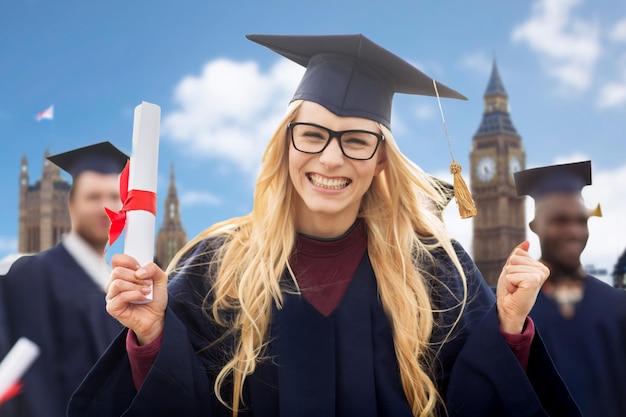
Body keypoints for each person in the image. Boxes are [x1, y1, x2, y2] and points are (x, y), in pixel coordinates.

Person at [68, 34, 580, 417]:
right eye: (312, 135)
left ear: (381, 159)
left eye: (356, 140)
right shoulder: (217, 266)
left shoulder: (437, 270)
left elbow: (474, 397)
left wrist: (509, 325)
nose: (331, 159)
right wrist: (153, 336)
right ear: (285, 143)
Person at [0, 142, 127, 417]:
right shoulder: (29, 274)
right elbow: (31, 386)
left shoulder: (121, 283)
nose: (105, 208)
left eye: (113, 197)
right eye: (93, 197)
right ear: (70, 205)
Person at [515, 160, 626, 417]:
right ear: (535, 226)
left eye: (580, 220)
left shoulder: (618, 305)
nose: (574, 231)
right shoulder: (511, 311)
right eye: (559, 220)